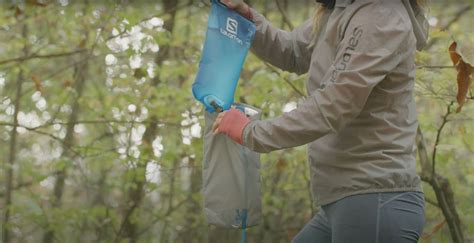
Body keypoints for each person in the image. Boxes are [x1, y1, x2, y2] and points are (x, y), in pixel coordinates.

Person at [212, 0, 429, 242]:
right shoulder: (341, 8)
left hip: (374, 198)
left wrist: (251, 132)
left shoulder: (380, 14)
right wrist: (248, 19)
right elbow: (292, 52)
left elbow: (335, 103)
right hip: (344, 200)